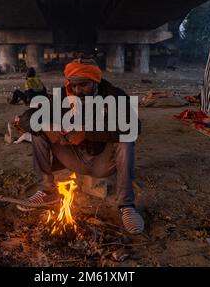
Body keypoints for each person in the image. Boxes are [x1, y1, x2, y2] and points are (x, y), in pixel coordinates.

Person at [16, 59, 145, 234]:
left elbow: (134, 127)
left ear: (95, 81)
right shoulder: (63, 95)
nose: (77, 90)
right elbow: (26, 117)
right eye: (73, 85)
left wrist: (87, 133)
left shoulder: (114, 95)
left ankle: (126, 205)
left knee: (126, 140)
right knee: (39, 131)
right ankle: (47, 191)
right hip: (73, 158)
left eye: (83, 85)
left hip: (102, 163)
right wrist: (46, 126)